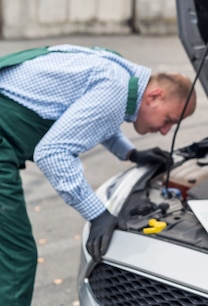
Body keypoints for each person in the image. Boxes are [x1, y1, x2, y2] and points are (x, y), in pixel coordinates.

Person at [0, 44, 196, 306]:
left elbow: (91, 117)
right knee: (17, 256)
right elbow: (52, 154)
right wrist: (97, 213)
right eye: (168, 120)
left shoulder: (116, 71)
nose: (164, 132)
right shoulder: (115, 88)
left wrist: (130, 154)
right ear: (155, 97)